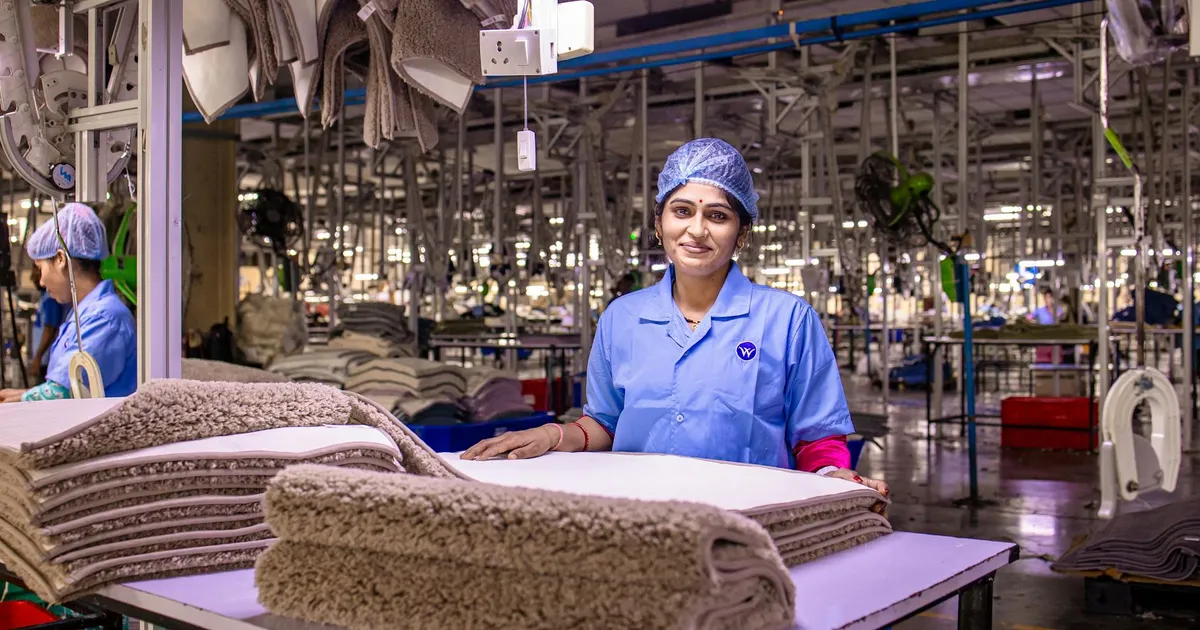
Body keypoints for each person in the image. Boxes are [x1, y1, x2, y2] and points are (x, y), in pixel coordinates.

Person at [462, 138, 887, 500]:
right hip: (639, 511)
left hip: (751, 514)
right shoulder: (622, 318)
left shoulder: (788, 320)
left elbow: (817, 437)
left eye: (717, 216)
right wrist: (553, 436)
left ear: (741, 234)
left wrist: (834, 476)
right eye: (682, 211)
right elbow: (605, 424)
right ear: (659, 223)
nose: (697, 229)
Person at [0, 203, 136, 403]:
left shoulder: (106, 318)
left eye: (41, 268)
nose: (41, 281)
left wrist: (19, 402)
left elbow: (65, 392)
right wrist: (20, 395)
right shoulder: (86, 312)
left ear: (60, 259)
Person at [28, 265, 65, 383]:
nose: (32, 277)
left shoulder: (51, 298)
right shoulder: (45, 297)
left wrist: (38, 357)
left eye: (37, 271)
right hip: (44, 361)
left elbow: (50, 328)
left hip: (47, 363)